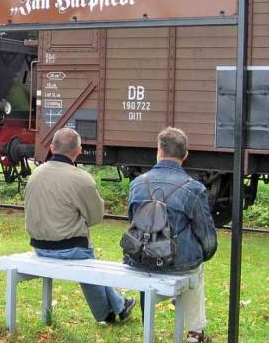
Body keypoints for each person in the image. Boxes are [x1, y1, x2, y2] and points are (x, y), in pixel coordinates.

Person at [24, 127, 136, 324]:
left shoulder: (35, 174)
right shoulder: (81, 178)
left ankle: (118, 306)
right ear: (79, 150)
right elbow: (95, 218)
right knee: (86, 257)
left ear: (51, 148)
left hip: (39, 247)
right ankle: (108, 312)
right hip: (70, 249)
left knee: (87, 260)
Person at [126, 127, 217, 343]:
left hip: (140, 259)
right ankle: (195, 332)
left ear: (159, 151)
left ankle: (147, 322)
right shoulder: (194, 189)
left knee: (146, 260)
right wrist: (200, 255)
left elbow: (133, 222)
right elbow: (208, 240)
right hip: (178, 263)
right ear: (185, 155)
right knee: (197, 267)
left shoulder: (137, 184)